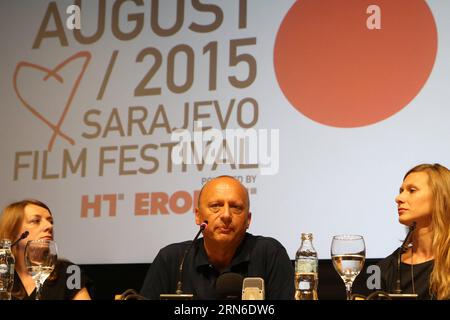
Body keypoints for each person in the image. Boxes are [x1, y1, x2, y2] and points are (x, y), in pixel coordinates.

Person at [140, 175, 295, 299]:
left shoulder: (270, 254)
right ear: (198, 216)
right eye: (215, 206)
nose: (226, 215)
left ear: (248, 220)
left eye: (236, 207)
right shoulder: (172, 259)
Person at [377, 163, 450, 300]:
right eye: (401, 191)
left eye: (412, 190)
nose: (398, 198)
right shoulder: (386, 268)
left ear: (440, 197)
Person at [0, 199, 92, 300]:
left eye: (50, 221)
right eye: (36, 221)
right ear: (13, 231)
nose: (49, 226)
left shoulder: (70, 272)